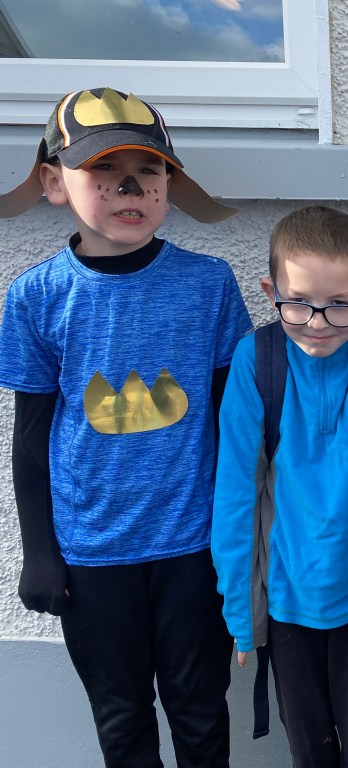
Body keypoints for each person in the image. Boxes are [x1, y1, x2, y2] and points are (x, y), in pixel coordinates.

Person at [0, 87, 251, 767]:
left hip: (193, 547)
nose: (129, 188)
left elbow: (235, 425)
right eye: (102, 171)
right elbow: (30, 438)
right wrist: (39, 551)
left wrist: (243, 540)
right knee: (121, 719)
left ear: (169, 184)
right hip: (91, 554)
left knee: (200, 711)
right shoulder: (36, 296)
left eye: (148, 170)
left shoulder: (209, 285)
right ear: (54, 182)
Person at [211, 206, 348, 768]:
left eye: (339, 305)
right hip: (286, 602)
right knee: (309, 750)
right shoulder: (257, 359)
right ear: (270, 292)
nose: (318, 323)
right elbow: (236, 492)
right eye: (298, 302)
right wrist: (242, 611)